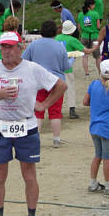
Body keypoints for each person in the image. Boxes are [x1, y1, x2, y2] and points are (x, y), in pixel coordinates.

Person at [0, 31, 67, 216]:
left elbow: (61, 85)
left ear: (20, 48)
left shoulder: (32, 69)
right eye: (3, 47)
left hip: (26, 127)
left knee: (29, 174)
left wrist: (43, 104)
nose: (6, 51)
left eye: (10, 47)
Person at [22, 20, 72, 148]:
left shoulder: (33, 45)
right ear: (55, 31)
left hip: (37, 81)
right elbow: (65, 67)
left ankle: (36, 138)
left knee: (38, 111)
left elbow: (24, 60)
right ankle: (56, 139)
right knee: (55, 112)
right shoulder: (60, 46)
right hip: (56, 82)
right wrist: (72, 59)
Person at [83, 59, 109, 196]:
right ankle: (108, 185)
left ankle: (92, 182)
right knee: (107, 157)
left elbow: (85, 101)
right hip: (107, 128)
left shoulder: (94, 85)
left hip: (94, 126)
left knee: (97, 155)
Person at [56, 20, 98, 119]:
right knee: (70, 89)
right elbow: (86, 51)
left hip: (56, 68)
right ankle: (72, 110)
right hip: (67, 68)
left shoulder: (57, 38)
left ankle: (57, 111)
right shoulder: (72, 40)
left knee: (57, 90)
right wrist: (94, 48)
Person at [77, 0, 101, 76]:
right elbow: (98, 26)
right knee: (97, 57)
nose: (94, 6)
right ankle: (100, 73)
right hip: (94, 36)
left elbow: (79, 27)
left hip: (84, 36)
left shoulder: (80, 14)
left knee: (84, 56)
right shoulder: (95, 14)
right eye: (93, 4)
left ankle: (86, 73)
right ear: (90, 5)